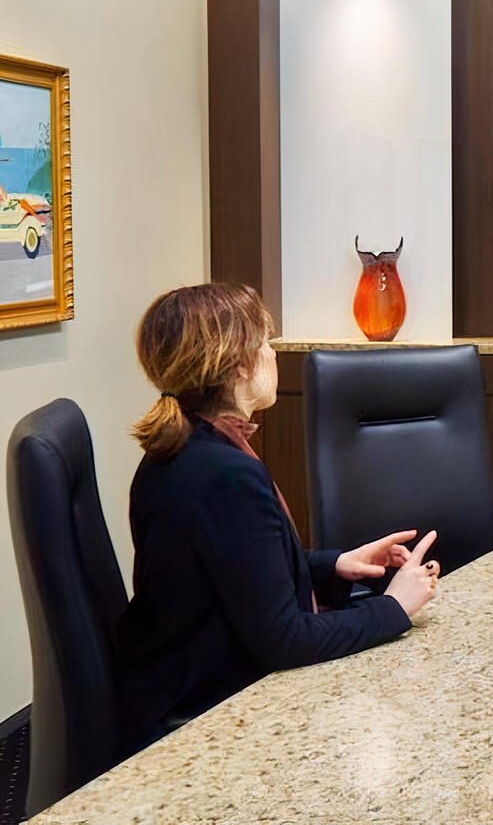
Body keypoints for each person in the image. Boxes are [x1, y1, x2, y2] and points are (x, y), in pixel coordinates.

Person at [117, 282, 440, 751]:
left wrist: (336, 565)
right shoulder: (223, 475)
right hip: (204, 715)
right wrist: (394, 607)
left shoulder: (187, 446)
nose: (273, 352)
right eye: (265, 342)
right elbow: (283, 640)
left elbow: (237, 572)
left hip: (174, 676)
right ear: (237, 365)